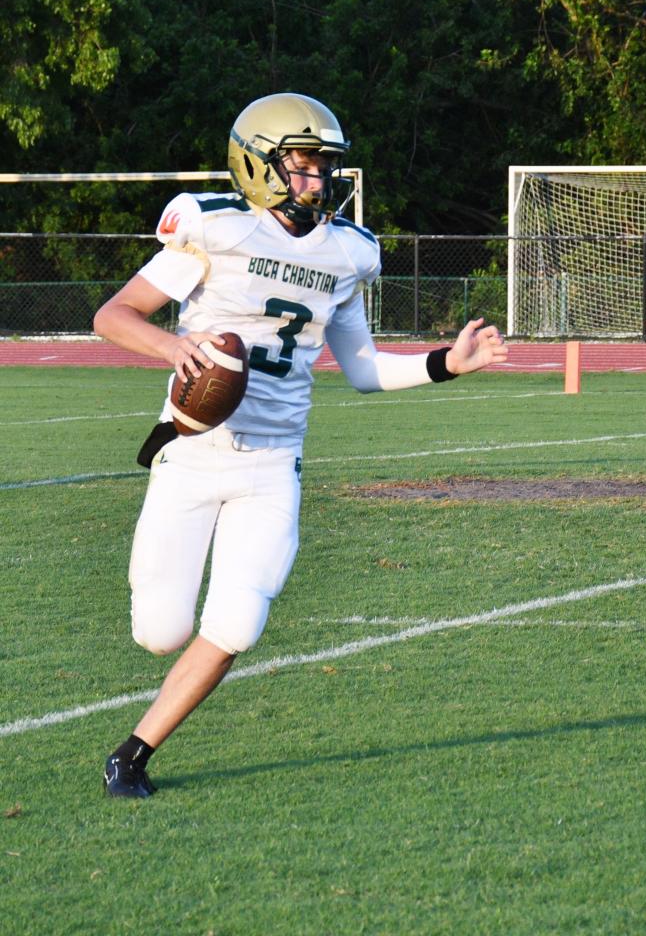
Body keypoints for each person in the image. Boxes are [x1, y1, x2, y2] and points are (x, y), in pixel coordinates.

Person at [94, 93, 508, 797]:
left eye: (325, 165)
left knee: (239, 619)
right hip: (193, 452)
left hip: (272, 464)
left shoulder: (348, 254)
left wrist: (447, 363)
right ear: (259, 162)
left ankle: (132, 754)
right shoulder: (213, 228)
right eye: (305, 163)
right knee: (160, 632)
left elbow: (366, 370)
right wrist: (176, 348)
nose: (319, 178)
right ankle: (146, 702)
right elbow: (114, 314)